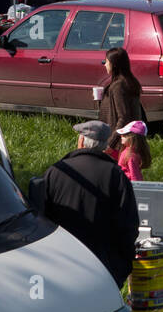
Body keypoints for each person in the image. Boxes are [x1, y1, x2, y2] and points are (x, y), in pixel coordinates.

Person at [36, 120, 139, 287]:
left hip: (62, 262)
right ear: (105, 145)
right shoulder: (115, 174)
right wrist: (123, 264)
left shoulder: (55, 171)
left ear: (81, 141)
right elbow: (128, 223)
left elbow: (41, 218)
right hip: (104, 266)